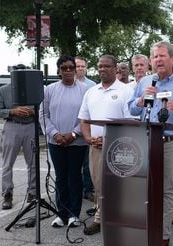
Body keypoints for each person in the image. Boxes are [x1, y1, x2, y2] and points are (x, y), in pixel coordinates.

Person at [129, 41, 173, 246]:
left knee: (166, 189)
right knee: (142, 186)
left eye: (162, 56)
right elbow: (132, 110)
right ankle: (143, 228)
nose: (158, 60)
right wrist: (140, 101)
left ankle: (162, 235)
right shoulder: (144, 83)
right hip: (143, 140)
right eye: (154, 57)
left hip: (169, 142)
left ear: (172, 58)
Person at [78, 55, 134, 235]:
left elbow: (131, 122)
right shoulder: (91, 92)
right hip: (95, 147)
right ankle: (100, 218)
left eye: (107, 66)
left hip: (119, 148)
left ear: (115, 68)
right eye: (100, 66)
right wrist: (87, 138)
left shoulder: (126, 91)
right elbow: (84, 119)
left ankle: (120, 219)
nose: (102, 69)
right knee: (99, 185)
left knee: (119, 186)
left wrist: (110, 139)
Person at [39, 55, 89, 227]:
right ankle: (61, 214)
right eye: (64, 68)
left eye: (71, 67)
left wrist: (74, 134)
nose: (68, 70)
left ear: (76, 69)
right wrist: (55, 134)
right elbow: (43, 115)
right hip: (56, 142)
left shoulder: (84, 90)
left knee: (74, 176)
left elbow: (87, 116)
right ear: (58, 71)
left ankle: (74, 214)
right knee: (61, 177)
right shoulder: (50, 89)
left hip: (77, 142)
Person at [0, 64, 37, 210]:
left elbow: (42, 107)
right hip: (12, 126)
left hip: (31, 126)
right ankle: (7, 194)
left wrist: (33, 111)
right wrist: (12, 111)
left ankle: (33, 192)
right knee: (7, 163)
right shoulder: (3, 90)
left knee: (33, 162)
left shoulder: (33, 89)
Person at [74, 56, 96, 203]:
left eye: (83, 66)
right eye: (78, 66)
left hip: (88, 129)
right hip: (72, 130)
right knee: (75, 163)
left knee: (88, 163)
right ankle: (75, 188)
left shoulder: (93, 85)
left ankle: (88, 190)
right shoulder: (68, 83)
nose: (80, 68)